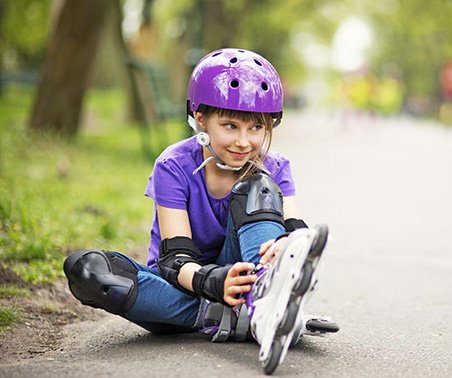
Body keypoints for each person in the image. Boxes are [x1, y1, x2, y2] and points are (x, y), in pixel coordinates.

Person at [63, 48, 337, 375]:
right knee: (89, 271)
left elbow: (296, 229)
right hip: (185, 285)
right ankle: (245, 317)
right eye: (230, 126)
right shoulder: (174, 165)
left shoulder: (275, 166)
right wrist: (214, 283)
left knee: (258, 186)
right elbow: (174, 258)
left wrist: (287, 245)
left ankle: (260, 304)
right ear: (201, 118)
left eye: (256, 128)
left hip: (249, 273)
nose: (244, 142)